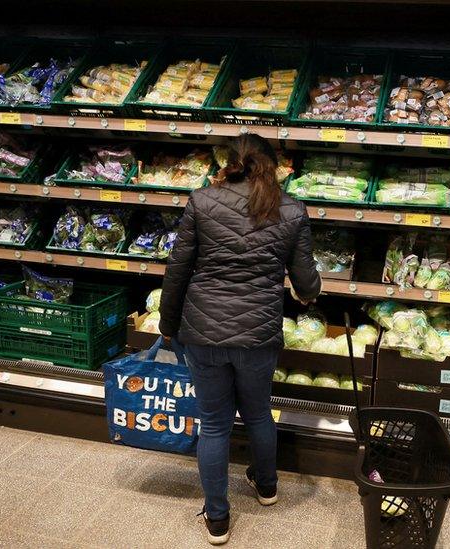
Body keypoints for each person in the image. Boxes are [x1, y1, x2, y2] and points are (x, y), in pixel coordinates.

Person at [158, 133, 321, 545]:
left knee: (213, 426)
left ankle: (217, 518)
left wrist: (168, 322)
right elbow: (305, 281)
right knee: (258, 413)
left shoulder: (201, 201)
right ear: (273, 164)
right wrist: (310, 292)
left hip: (203, 331)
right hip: (259, 335)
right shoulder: (291, 210)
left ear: (229, 162)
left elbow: (177, 270)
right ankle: (266, 488)